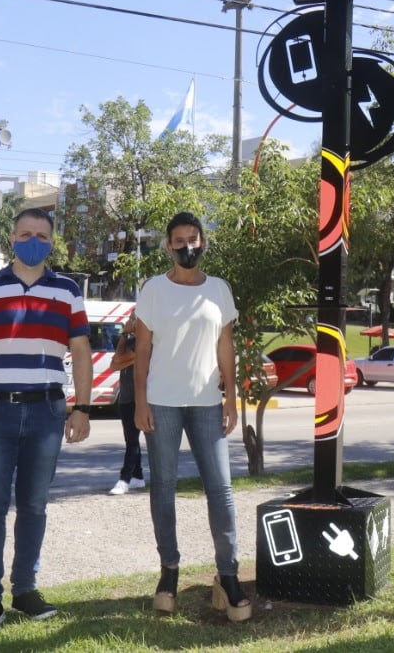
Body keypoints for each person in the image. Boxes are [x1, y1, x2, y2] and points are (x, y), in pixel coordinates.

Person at [0, 208, 94, 636]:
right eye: (26, 234)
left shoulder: (67, 290)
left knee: (34, 506)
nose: (34, 240)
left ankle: (25, 590)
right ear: (12, 238)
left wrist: (81, 408)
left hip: (48, 411)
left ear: (52, 241)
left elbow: (81, 352)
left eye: (42, 235)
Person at [134, 211, 250, 622]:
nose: (187, 247)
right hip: (161, 403)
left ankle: (229, 575)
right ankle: (169, 573)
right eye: (179, 240)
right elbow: (142, 349)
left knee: (221, 489)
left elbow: (226, 348)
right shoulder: (153, 289)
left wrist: (231, 398)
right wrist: (140, 402)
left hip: (206, 403)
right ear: (168, 246)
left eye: (193, 239)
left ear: (202, 243)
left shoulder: (219, 290)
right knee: (162, 489)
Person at [108, 314, 146, 495]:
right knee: (131, 439)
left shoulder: (148, 343)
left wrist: (121, 360)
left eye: (134, 319)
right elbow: (114, 363)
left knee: (132, 441)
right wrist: (124, 334)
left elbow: (118, 361)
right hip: (125, 397)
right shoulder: (130, 341)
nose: (131, 322)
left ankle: (124, 479)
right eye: (131, 319)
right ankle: (138, 476)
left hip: (140, 398)